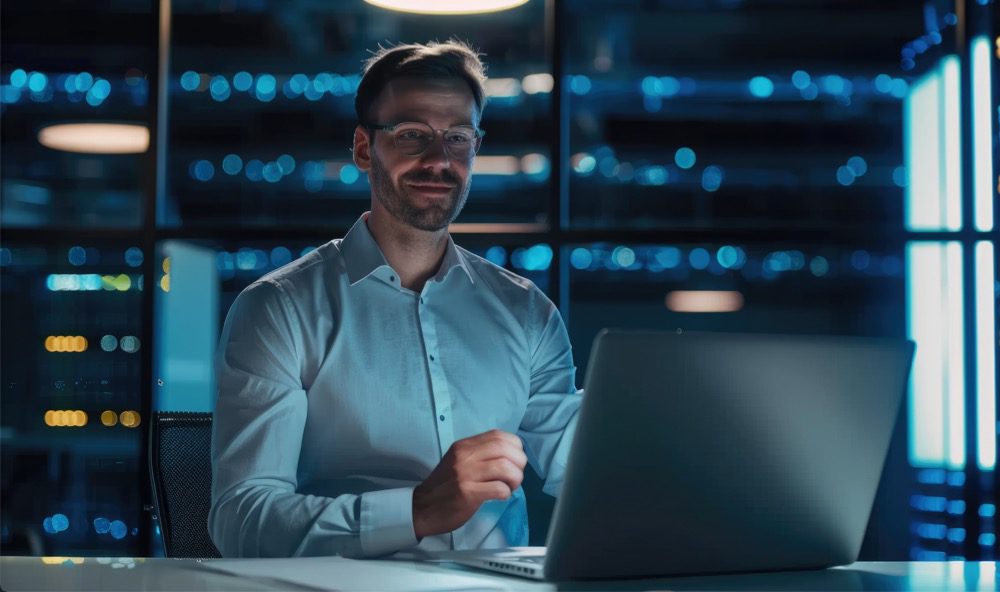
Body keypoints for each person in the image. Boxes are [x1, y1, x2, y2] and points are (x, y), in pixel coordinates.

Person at [209, 40, 582, 558]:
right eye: (412, 135)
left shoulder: (527, 312)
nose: (439, 160)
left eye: (457, 138)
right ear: (364, 149)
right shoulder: (279, 309)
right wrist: (417, 511)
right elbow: (241, 520)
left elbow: (589, 472)